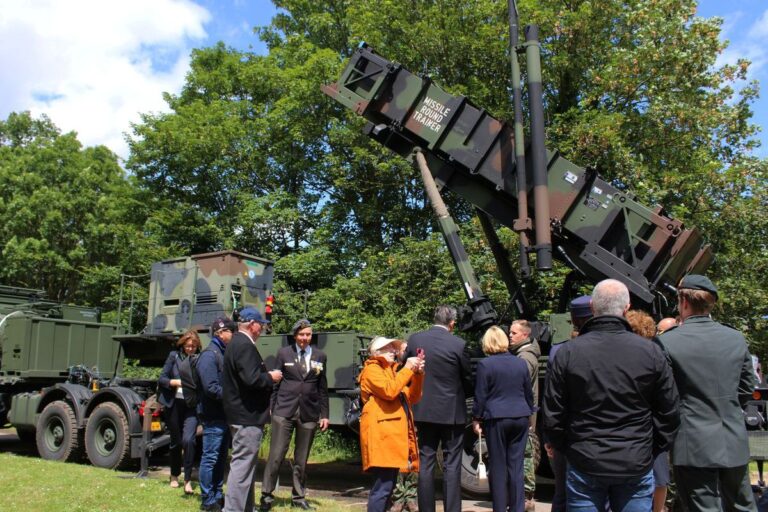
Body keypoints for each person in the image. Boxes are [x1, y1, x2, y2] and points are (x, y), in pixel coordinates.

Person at [542, 279, 680, 512]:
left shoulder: (568, 352)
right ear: (626, 309)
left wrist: (569, 448)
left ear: (594, 308)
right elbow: (669, 411)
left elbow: (553, 413)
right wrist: (650, 449)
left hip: (586, 460)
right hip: (634, 461)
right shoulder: (651, 352)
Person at [659, 274, 758, 511]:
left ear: (683, 302)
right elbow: (746, 388)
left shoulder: (667, 342)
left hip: (692, 442)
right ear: (710, 303)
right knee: (743, 506)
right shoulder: (735, 338)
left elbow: (665, 397)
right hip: (732, 438)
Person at [404, 305, 472, 512]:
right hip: (451, 412)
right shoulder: (459, 344)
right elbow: (468, 377)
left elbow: (404, 368)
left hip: (423, 410)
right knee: (452, 465)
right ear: (451, 323)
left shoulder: (415, 340)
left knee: (426, 462)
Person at [260, 319, 329, 511]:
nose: (305, 338)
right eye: (301, 334)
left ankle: (298, 497)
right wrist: (272, 408)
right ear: (295, 336)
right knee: (276, 456)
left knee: (301, 459)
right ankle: (266, 496)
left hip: (309, 413)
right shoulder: (284, 353)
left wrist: (324, 414)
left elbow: (322, 388)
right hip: (284, 411)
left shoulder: (320, 355)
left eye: (308, 334)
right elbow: (275, 383)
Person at [222, 307, 283, 512]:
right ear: (251, 324)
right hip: (246, 416)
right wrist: (271, 377)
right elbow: (252, 379)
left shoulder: (235, 343)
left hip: (242, 414)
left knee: (245, 466)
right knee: (242, 466)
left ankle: (246, 508)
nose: (262, 329)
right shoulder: (244, 345)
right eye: (261, 325)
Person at [359, 336, 424, 512]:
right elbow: (390, 391)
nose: (393, 351)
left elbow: (413, 397)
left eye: (393, 348)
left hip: (391, 439)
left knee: (387, 488)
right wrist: (408, 368)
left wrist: (417, 374)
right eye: (387, 348)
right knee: (382, 488)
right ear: (375, 353)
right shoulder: (372, 370)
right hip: (382, 438)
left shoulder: (393, 371)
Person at [473, 325, 535, 512]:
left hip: (497, 418)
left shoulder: (486, 364)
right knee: (516, 467)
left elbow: (480, 395)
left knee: (499, 467)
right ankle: (517, 508)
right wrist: (530, 414)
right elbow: (528, 393)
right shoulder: (520, 363)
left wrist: (477, 418)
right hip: (520, 417)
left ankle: (500, 508)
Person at [544, 294, 592, 512]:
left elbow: (552, 398)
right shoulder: (624, 346)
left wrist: (550, 437)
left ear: (573, 320)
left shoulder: (559, 351)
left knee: (563, 493)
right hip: (604, 439)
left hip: (568, 434)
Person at [626, 309, 671, 512]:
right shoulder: (658, 356)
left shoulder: (627, 357)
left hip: (632, 433)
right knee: (660, 478)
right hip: (654, 429)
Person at [197, 316, 234, 512]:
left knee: (220, 458)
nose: (233, 334)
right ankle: (207, 498)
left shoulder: (223, 353)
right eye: (230, 331)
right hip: (213, 415)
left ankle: (218, 495)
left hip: (224, 414)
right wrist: (233, 396)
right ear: (220, 333)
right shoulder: (209, 355)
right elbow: (211, 388)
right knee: (210, 457)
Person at [158, 329, 201, 494]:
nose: (191, 349)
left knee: (189, 441)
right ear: (183, 345)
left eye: (194, 346)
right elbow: (162, 379)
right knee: (176, 442)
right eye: (188, 346)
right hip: (174, 405)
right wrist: (175, 382)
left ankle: (188, 480)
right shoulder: (173, 357)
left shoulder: (199, 360)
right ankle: (174, 475)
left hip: (191, 406)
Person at [508, 320, 540, 512]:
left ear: (525, 335)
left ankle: (527, 498)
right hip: (524, 412)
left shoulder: (525, 358)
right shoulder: (524, 354)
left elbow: (519, 385)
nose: (510, 336)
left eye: (514, 333)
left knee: (525, 456)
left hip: (523, 414)